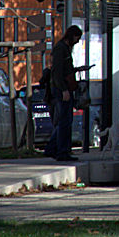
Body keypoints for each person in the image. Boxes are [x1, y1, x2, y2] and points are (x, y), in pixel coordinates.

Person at [44, 24, 82, 162]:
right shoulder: (60, 49)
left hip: (64, 88)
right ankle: (61, 151)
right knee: (65, 121)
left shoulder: (64, 48)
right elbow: (57, 72)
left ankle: (53, 149)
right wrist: (64, 90)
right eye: (77, 38)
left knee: (65, 120)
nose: (77, 41)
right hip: (62, 89)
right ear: (72, 36)